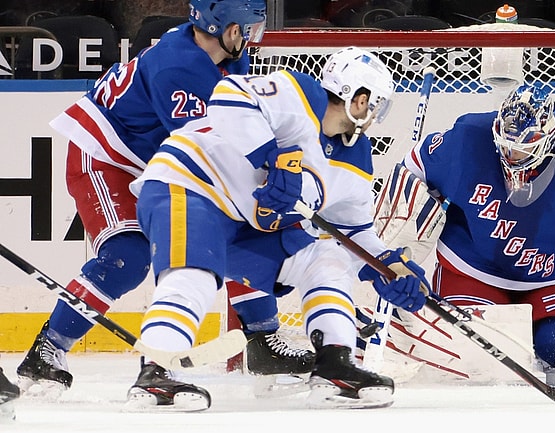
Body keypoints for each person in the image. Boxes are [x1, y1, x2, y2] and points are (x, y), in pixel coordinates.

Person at [17, 0, 312, 397]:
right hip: (109, 158)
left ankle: (262, 340)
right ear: (226, 28)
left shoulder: (227, 57)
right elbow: (211, 145)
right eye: (249, 29)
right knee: (130, 255)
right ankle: (47, 350)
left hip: (158, 158)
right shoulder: (179, 68)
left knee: (234, 223)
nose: (253, 38)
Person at [126, 46, 429, 410]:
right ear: (360, 100)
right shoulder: (298, 93)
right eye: (376, 105)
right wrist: (271, 155)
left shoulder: (357, 157)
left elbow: (351, 232)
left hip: (248, 225)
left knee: (326, 256)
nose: (375, 117)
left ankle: (335, 363)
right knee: (196, 274)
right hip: (191, 187)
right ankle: (156, 373)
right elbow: (229, 95)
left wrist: (388, 266)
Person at [397, 83, 555, 386]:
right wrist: (405, 230)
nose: (512, 156)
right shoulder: (467, 139)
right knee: (474, 359)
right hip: (471, 268)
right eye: (506, 146)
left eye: (524, 148)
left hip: (552, 273)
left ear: (553, 139)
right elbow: (411, 172)